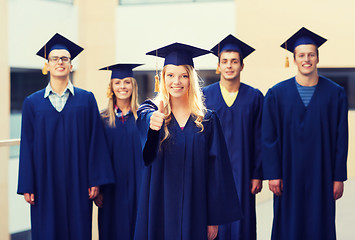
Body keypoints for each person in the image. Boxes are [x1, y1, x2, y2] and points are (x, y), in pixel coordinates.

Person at [134, 42, 242, 240]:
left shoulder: (207, 120)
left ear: (191, 79)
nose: (177, 81)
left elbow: (216, 172)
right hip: (160, 207)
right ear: (162, 78)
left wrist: (213, 218)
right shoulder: (153, 113)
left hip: (197, 209)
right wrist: (153, 124)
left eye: (183, 75)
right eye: (171, 75)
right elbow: (146, 153)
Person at [17, 33, 115, 240]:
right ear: (48, 65)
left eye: (65, 59)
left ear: (71, 66)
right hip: (45, 181)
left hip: (78, 180)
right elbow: (27, 145)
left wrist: (95, 180)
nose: (60, 62)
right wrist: (28, 184)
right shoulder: (32, 103)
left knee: (78, 229)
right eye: (55, 59)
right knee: (47, 231)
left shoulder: (86, 99)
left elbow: (95, 141)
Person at [262, 27, 348, 240]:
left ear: (318, 58)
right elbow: (269, 137)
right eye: (301, 55)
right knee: (289, 226)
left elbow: (341, 138)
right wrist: (273, 173)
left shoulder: (335, 94)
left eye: (311, 54)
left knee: (320, 224)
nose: (306, 59)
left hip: (322, 172)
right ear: (294, 59)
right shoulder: (276, 94)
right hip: (287, 172)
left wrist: (338, 177)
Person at [203, 34, 263, 240]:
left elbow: (260, 138)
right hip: (211, 173)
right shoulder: (204, 96)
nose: (229, 66)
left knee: (242, 227)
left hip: (243, 173)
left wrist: (257, 173)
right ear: (218, 65)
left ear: (242, 66)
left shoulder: (254, 97)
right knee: (212, 225)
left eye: (234, 61)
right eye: (225, 61)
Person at [94, 63, 144, 239]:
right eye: (117, 82)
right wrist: (98, 187)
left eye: (126, 82)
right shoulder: (102, 119)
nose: (122, 86)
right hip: (112, 189)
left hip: (140, 186)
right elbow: (97, 155)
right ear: (111, 88)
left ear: (133, 85)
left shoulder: (143, 117)